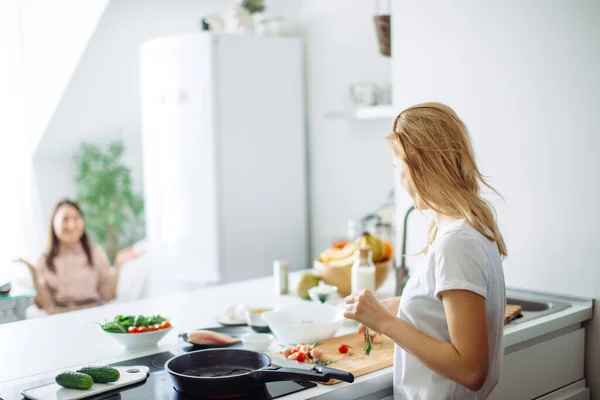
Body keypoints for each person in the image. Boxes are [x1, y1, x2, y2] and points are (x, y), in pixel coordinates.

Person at [344, 103, 507, 399]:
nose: (401, 183)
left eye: (400, 169)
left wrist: (385, 323)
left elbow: (471, 370)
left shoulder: (457, 243)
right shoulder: (466, 229)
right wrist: (401, 306)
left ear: (422, 168)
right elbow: (443, 315)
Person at [16, 199, 143, 314]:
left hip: (93, 315)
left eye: (76, 218)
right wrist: (34, 275)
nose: (71, 225)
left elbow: (107, 296)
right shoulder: (44, 259)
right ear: (53, 224)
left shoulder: (96, 253)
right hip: (59, 319)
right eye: (65, 219)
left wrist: (118, 265)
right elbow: (43, 304)